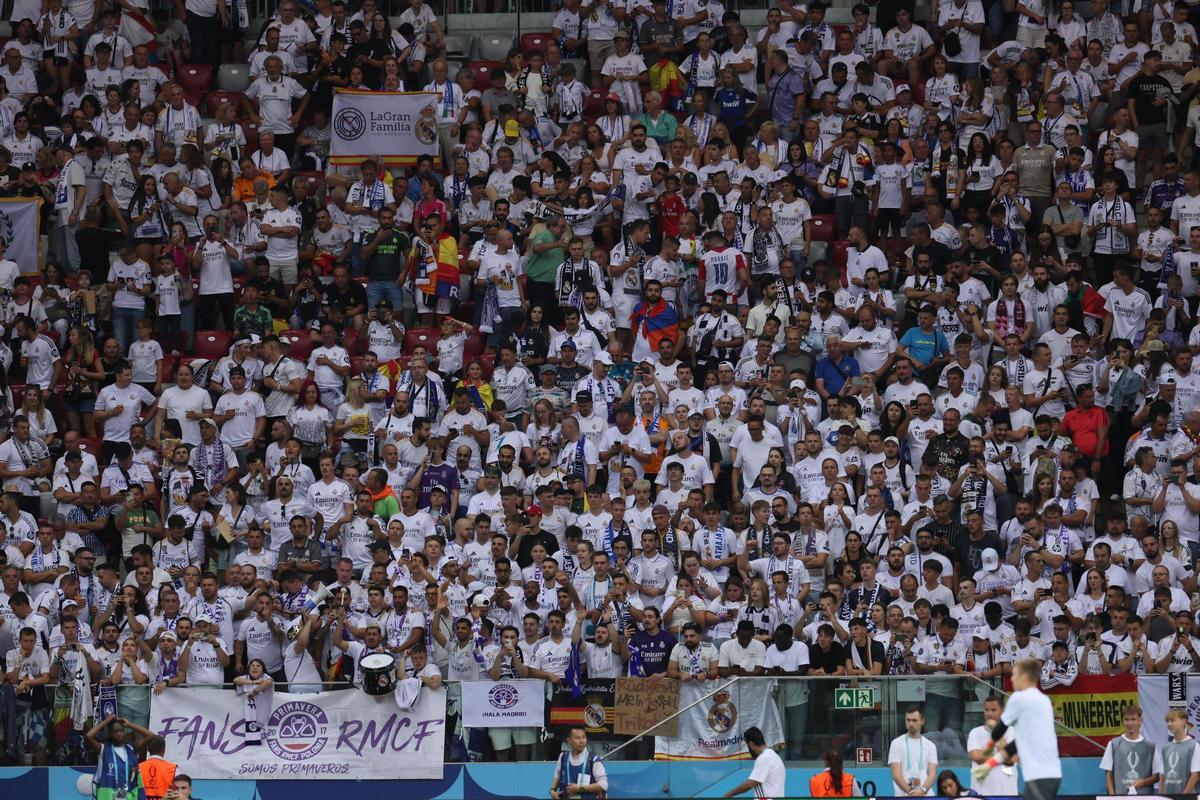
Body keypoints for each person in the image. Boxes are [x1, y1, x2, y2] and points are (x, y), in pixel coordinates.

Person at [972, 658, 1062, 800]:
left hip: (1039, 777)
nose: (1012, 679)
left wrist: (987, 753)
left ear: (1024, 677)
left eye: (1014, 674)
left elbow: (997, 732)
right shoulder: (1044, 700)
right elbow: (1015, 745)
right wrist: (989, 765)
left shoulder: (1019, 698)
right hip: (1052, 775)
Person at [723, 726, 785, 800]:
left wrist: (728, 795)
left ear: (751, 744)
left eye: (747, 745)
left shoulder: (764, 758)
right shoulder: (774, 756)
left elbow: (750, 784)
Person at [887, 707, 938, 796]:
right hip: (903, 795)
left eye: (914, 720)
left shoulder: (930, 745)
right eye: (908, 720)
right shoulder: (896, 743)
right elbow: (896, 774)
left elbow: (932, 773)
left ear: (922, 721)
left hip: (926, 795)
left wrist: (923, 791)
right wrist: (911, 792)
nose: (911, 723)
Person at [549, 725, 609, 799]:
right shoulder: (563, 757)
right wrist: (552, 790)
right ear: (569, 741)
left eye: (584, 737)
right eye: (577, 738)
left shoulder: (594, 760)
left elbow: (604, 785)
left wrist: (580, 788)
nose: (582, 741)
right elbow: (557, 775)